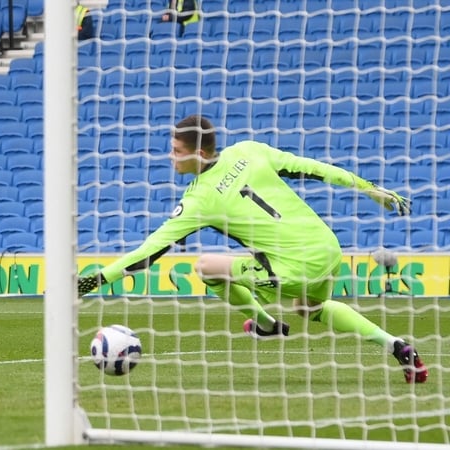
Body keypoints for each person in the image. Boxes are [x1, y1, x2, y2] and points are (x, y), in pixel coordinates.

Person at [77, 114, 428, 384]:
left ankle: (266, 325)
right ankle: (397, 345)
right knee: (310, 308)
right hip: (327, 247)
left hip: (293, 267)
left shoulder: (199, 199)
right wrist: (371, 189)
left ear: (200, 154)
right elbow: (313, 168)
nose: (171, 157)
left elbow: (149, 252)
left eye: (177, 151)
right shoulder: (248, 150)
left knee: (205, 267)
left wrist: (94, 280)